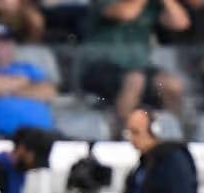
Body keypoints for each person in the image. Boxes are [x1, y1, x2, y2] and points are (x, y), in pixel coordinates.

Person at [81, 0, 190, 130]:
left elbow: (181, 23)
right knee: (135, 80)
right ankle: (123, 131)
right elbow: (125, 13)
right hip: (100, 67)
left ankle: (179, 132)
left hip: (140, 67)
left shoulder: (151, 6)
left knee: (171, 84)